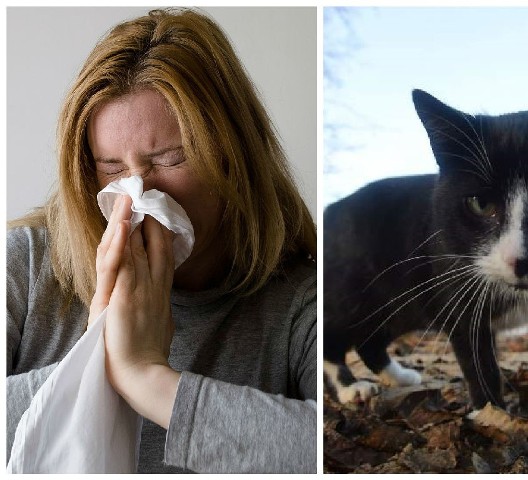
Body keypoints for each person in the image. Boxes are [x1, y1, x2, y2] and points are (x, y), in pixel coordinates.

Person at [7, 8, 317, 474]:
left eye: (171, 159)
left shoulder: (302, 300)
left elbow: (332, 448)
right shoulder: (25, 264)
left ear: (234, 155)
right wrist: (95, 359)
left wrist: (144, 376)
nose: (138, 193)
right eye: (111, 168)